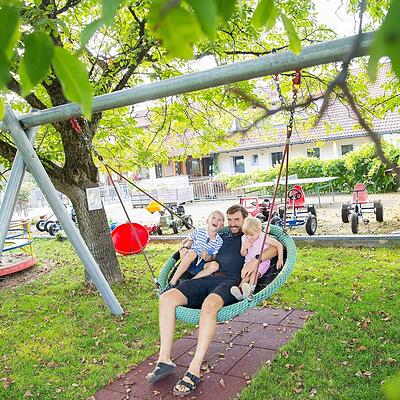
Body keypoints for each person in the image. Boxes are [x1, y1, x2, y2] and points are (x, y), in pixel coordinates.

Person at [146, 204, 278, 397]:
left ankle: (194, 368)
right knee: (166, 298)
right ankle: (164, 359)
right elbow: (194, 237)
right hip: (208, 275)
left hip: (231, 282)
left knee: (209, 305)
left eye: (237, 220)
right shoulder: (222, 235)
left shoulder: (252, 234)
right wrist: (185, 246)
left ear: (245, 219)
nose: (233, 224)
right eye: (229, 220)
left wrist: (255, 259)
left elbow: (275, 248)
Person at [230, 216, 284, 301]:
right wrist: (245, 247)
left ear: (259, 231)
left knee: (254, 274)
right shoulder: (244, 238)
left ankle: (250, 292)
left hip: (262, 262)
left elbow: (278, 245)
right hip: (248, 262)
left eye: (252, 235)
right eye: (246, 234)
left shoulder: (263, 238)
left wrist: (280, 258)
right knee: (245, 276)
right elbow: (243, 254)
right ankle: (240, 291)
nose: (249, 237)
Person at [167, 210, 225, 288]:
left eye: (219, 220)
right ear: (207, 221)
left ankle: (190, 282)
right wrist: (182, 249)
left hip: (201, 265)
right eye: (213, 218)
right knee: (192, 253)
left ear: (222, 225)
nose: (216, 220)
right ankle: (172, 283)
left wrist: (207, 257)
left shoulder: (219, 241)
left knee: (215, 265)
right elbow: (186, 241)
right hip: (189, 260)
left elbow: (213, 258)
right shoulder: (199, 231)